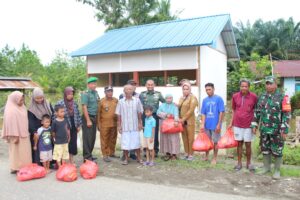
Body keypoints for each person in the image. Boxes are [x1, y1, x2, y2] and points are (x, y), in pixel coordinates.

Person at [251, 76, 290, 179]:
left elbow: (287, 114)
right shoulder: (262, 96)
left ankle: (277, 171)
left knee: (277, 150)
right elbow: (257, 112)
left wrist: (284, 128)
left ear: (275, 84)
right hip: (264, 129)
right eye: (267, 83)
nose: (268, 85)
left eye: (270, 83)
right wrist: (254, 124)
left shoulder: (282, 96)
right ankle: (266, 168)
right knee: (265, 148)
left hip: (277, 130)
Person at [229, 79, 257, 172]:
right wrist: (231, 123)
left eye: (246, 86)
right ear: (240, 87)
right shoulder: (235, 96)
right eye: (242, 86)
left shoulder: (254, 97)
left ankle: (248, 163)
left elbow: (256, 112)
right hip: (237, 124)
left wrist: (254, 125)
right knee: (239, 144)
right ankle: (239, 163)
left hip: (248, 125)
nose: (244, 88)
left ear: (249, 87)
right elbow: (233, 110)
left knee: (248, 144)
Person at [1, 91, 32, 173]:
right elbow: (10, 124)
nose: (22, 102)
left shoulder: (22, 107)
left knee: (25, 152)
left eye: (23, 100)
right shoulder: (11, 110)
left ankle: (24, 167)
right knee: (16, 152)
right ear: (15, 100)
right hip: (15, 135)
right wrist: (15, 136)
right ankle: (15, 167)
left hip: (24, 133)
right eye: (20, 100)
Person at [116, 84, 143, 165]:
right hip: (125, 126)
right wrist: (119, 126)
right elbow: (119, 114)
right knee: (125, 143)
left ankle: (138, 157)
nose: (128, 91)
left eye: (130, 89)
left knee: (137, 142)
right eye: (127, 89)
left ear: (133, 90)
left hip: (135, 126)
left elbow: (139, 112)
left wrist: (140, 123)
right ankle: (126, 159)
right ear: (124, 91)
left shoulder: (137, 100)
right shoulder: (120, 101)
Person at [55, 87, 82, 164]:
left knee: (73, 143)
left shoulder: (75, 103)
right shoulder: (60, 103)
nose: (71, 95)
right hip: (64, 126)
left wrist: (79, 125)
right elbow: (55, 115)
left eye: (72, 94)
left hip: (73, 125)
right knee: (65, 143)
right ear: (65, 94)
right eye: (69, 94)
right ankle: (64, 161)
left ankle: (71, 160)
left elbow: (78, 114)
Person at [201, 83, 225, 165]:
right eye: (206, 90)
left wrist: (219, 124)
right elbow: (203, 113)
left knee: (215, 142)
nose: (208, 91)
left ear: (213, 89)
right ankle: (206, 156)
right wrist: (202, 124)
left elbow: (221, 112)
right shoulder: (205, 100)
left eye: (209, 89)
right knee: (207, 142)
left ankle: (214, 158)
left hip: (215, 125)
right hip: (207, 125)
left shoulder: (219, 99)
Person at [140, 79, 165, 156]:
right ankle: (146, 149)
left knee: (155, 133)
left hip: (154, 116)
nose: (150, 86)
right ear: (146, 85)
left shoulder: (158, 94)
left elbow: (164, 102)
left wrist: (161, 111)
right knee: (146, 132)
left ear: (154, 85)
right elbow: (139, 106)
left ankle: (155, 150)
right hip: (145, 116)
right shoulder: (142, 94)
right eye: (148, 84)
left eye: (151, 84)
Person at [28, 87, 53, 164]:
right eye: (37, 98)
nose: (39, 100)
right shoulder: (31, 108)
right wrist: (34, 132)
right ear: (33, 98)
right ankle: (38, 164)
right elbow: (30, 121)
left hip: (48, 130)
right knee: (38, 147)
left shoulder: (48, 104)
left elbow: (52, 115)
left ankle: (49, 162)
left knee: (48, 145)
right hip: (37, 131)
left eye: (41, 98)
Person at [119, 79, 139, 160]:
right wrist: (119, 124)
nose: (133, 86)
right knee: (126, 140)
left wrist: (140, 122)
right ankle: (125, 155)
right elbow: (120, 110)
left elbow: (139, 110)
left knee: (135, 138)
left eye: (134, 85)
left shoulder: (138, 96)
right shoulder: (122, 96)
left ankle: (133, 153)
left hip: (134, 121)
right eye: (131, 84)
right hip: (125, 122)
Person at [81, 77, 100, 162]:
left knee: (92, 138)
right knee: (87, 138)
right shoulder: (85, 94)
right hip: (88, 117)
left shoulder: (96, 93)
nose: (94, 85)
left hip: (94, 117)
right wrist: (88, 120)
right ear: (88, 85)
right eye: (92, 83)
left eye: (95, 83)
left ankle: (90, 155)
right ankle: (86, 157)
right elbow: (84, 107)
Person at [98, 86, 118, 162]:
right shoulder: (101, 101)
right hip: (104, 124)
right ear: (105, 92)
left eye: (111, 91)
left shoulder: (116, 100)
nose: (110, 93)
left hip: (114, 123)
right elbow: (98, 114)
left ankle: (112, 153)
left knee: (113, 139)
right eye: (108, 91)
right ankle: (105, 155)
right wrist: (98, 124)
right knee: (104, 140)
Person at [157, 94, 180, 161]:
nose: (169, 99)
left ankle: (174, 154)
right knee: (165, 139)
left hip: (173, 124)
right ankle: (167, 153)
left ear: (172, 99)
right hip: (164, 124)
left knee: (173, 139)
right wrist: (166, 114)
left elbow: (176, 114)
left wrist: (176, 121)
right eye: (167, 98)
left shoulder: (174, 106)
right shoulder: (162, 105)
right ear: (165, 99)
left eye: (170, 98)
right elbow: (158, 112)